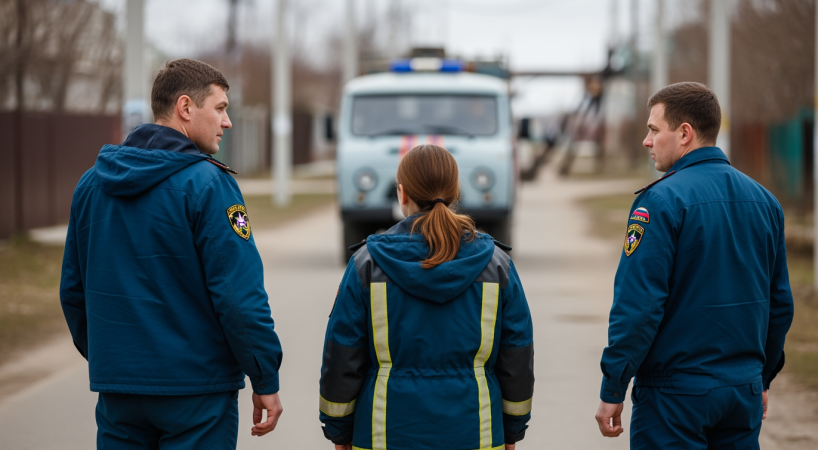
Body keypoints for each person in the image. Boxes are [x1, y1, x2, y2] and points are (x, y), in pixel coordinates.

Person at [59, 59, 284, 449]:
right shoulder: (209, 183)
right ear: (185, 108)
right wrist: (265, 377)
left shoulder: (92, 183)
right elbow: (238, 298)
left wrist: (114, 362)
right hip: (196, 394)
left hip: (120, 395)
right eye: (220, 108)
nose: (226, 122)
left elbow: (73, 291)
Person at [595, 82, 794, 449]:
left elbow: (638, 307)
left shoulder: (659, 202)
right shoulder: (766, 202)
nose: (646, 140)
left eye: (654, 129)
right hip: (741, 394)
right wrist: (759, 380)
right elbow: (779, 304)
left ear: (685, 133)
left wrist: (613, 387)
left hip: (675, 397)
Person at [318, 144, 535, 450]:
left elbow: (342, 356)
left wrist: (338, 431)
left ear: (402, 193)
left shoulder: (367, 264)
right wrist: (512, 429)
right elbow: (517, 356)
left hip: (385, 435)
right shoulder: (497, 265)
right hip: (478, 434)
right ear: (456, 192)